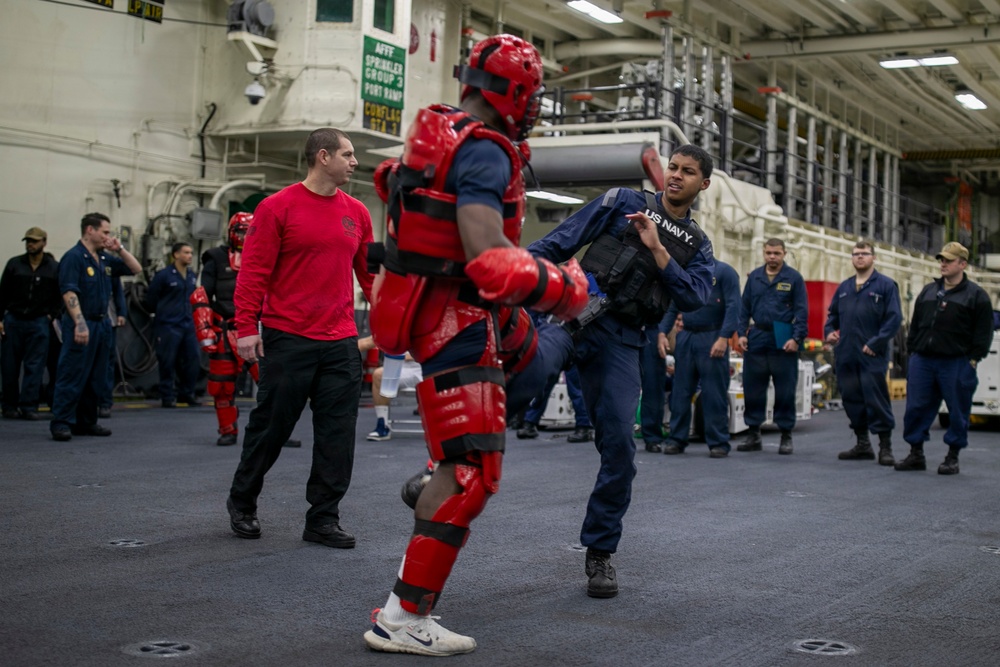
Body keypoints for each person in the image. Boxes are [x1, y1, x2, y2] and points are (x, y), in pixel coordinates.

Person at [363, 35, 588, 656]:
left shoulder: (438, 132)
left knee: (529, 357)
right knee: (471, 476)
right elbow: (491, 263)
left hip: (439, 308)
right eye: (534, 94)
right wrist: (566, 287)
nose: (537, 106)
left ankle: (435, 470)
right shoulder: (486, 152)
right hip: (456, 318)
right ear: (514, 93)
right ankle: (403, 616)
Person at [529, 143, 715, 599]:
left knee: (619, 451)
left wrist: (658, 251)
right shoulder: (623, 201)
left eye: (687, 172)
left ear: (702, 184)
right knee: (515, 387)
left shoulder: (698, 244)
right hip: (572, 316)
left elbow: (695, 298)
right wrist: (512, 275)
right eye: (672, 167)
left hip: (622, 342)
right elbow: (559, 241)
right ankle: (442, 467)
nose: (676, 176)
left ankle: (600, 552)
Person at [225, 128, 375, 552]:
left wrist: (392, 319)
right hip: (288, 336)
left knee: (337, 435)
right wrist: (245, 328)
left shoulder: (358, 213)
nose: (354, 161)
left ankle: (323, 518)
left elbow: (370, 276)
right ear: (322, 157)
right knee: (271, 428)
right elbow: (253, 273)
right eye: (347, 154)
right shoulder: (276, 208)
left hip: (341, 340)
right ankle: (242, 502)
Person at [895, 242, 995, 475]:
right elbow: (917, 324)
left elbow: (983, 332)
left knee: (957, 410)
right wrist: (913, 350)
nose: (943, 264)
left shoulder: (976, 296)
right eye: (942, 259)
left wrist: (973, 359)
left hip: (956, 362)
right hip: (924, 360)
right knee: (916, 408)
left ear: (962, 264)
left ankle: (952, 456)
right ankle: (916, 453)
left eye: (949, 260)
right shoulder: (929, 292)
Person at [50, 213, 141, 441]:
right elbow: (69, 292)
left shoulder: (104, 258)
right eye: (105, 232)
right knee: (72, 373)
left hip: (102, 324)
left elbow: (135, 268)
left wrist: (119, 248)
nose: (108, 236)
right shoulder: (74, 257)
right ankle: (61, 422)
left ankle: (86, 421)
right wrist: (79, 324)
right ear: (90, 230)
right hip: (83, 321)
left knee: (96, 376)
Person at [823, 241, 902, 466]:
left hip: (871, 355)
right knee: (851, 399)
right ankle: (862, 444)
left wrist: (876, 343)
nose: (860, 258)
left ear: (873, 258)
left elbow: (894, 319)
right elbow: (832, 316)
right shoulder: (845, 287)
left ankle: (885, 447)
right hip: (846, 354)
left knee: (876, 400)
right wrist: (829, 332)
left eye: (864, 254)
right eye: (856, 254)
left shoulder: (886, 286)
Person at [662, 259, 741, 457]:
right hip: (687, 336)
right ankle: (677, 439)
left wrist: (724, 338)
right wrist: (662, 333)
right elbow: (673, 306)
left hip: (712, 336)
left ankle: (718, 442)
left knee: (714, 393)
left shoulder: (725, 272)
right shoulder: (684, 271)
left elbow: (733, 307)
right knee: (680, 392)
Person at [736, 238, 808, 455]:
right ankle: (753, 434)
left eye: (776, 253)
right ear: (764, 253)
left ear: (784, 253)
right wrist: (741, 334)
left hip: (783, 336)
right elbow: (743, 308)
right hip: (758, 336)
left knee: (785, 390)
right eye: (768, 253)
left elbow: (802, 312)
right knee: (753, 388)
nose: (772, 257)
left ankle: (786, 435)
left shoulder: (793, 278)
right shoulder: (755, 277)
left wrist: (796, 338)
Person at [192, 212, 259, 446]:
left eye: (249, 232)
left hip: (257, 331)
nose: (245, 237)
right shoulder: (215, 258)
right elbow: (202, 296)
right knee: (222, 386)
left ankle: (279, 431)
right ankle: (227, 430)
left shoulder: (264, 256)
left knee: (274, 384)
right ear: (232, 233)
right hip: (224, 331)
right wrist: (204, 329)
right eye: (241, 231)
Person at [1, 226, 61, 420]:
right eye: (28, 241)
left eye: (34, 241)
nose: (30, 244)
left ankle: (29, 406)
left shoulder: (54, 268)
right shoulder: (14, 265)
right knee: (9, 366)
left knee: (35, 366)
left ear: (44, 242)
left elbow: (60, 296)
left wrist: (51, 316)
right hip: (13, 320)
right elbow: (2, 293)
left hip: (39, 322)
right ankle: (9, 405)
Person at [146, 242, 201, 408]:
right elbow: (151, 299)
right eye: (186, 252)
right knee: (167, 361)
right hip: (169, 324)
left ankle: (186, 393)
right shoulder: (164, 275)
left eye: (191, 252)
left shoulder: (191, 275)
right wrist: (163, 313)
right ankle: (167, 395)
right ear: (176, 255)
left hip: (188, 323)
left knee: (193, 358)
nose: (190, 256)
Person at [358, 336, 424, 441]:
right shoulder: (397, 325)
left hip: (427, 365)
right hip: (401, 367)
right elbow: (368, 342)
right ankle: (382, 425)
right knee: (379, 375)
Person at [516, 365, 592, 442]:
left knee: (575, 389)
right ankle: (530, 422)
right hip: (563, 354)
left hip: (573, 355)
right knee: (544, 386)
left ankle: (583, 427)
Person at [97, 275, 127, 419]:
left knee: (107, 365)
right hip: (89, 320)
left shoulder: (109, 265)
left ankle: (104, 402)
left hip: (108, 321)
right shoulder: (77, 260)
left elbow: (118, 291)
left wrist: (121, 312)